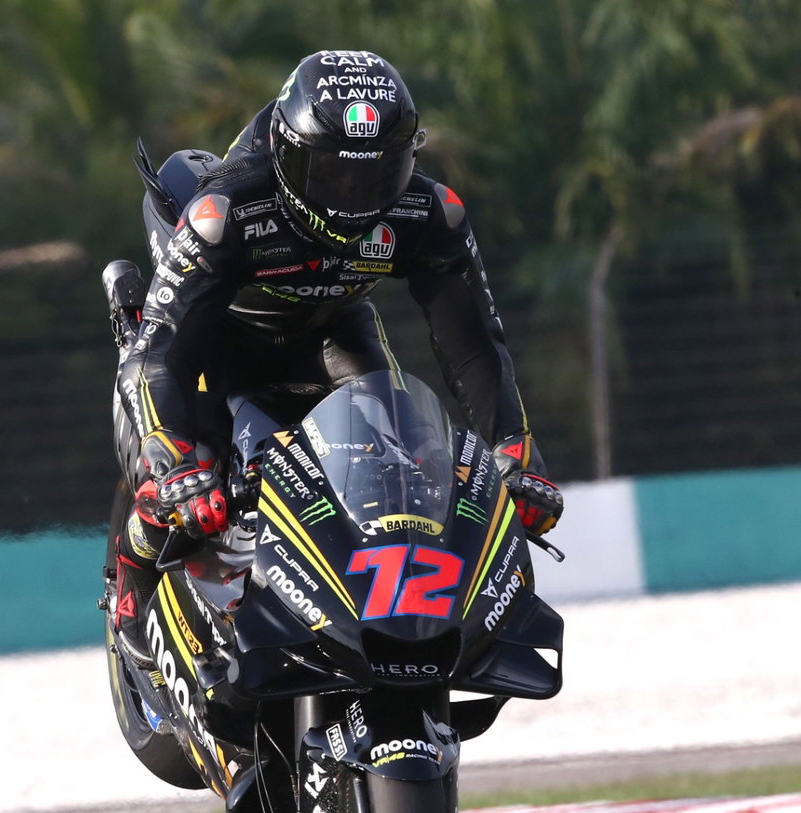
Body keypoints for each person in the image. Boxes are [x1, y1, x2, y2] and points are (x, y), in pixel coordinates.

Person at [109, 49, 563, 660]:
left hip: (330, 332)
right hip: (211, 342)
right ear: (285, 151)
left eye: (378, 175)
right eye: (333, 175)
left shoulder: (432, 213)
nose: (353, 197)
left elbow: (476, 342)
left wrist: (514, 449)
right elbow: (158, 349)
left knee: (405, 456)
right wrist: (174, 464)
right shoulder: (228, 212)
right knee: (186, 480)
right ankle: (131, 586)